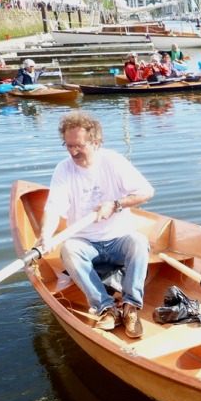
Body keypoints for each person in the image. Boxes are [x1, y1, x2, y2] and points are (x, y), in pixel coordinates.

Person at [35, 112, 155, 339]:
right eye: (68, 145)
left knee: (139, 242)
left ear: (96, 143)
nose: (73, 152)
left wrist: (116, 204)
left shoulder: (113, 161)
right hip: (86, 242)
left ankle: (130, 307)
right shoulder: (64, 169)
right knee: (69, 249)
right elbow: (53, 208)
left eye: (78, 146)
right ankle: (106, 308)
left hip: (119, 239)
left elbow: (146, 191)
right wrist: (45, 235)